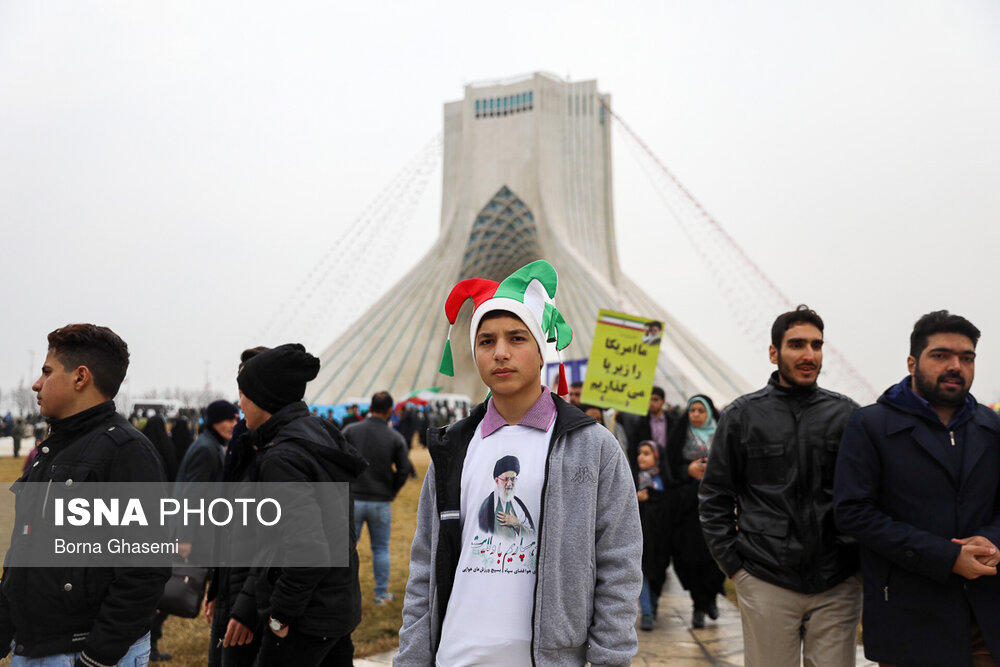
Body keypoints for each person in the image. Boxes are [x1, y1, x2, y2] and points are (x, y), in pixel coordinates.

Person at [396, 259, 641, 666]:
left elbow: (620, 561)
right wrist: (412, 656)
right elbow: (425, 564)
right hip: (456, 654)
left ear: (542, 350)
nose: (501, 353)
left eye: (517, 338)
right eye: (487, 341)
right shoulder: (453, 447)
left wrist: (610, 658)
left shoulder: (592, 446)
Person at [834, 310, 1000, 666]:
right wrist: (946, 557)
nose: (956, 366)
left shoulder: (991, 426)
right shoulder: (871, 425)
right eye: (941, 355)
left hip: (984, 614)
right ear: (912, 362)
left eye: (966, 357)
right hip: (910, 616)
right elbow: (853, 512)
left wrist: (992, 541)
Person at [699, 305, 861, 667]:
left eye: (817, 346)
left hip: (837, 580)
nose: (809, 355)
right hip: (765, 576)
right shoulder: (742, 417)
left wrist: (856, 567)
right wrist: (735, 567)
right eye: (797, 345)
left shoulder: (847, 416)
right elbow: (715, 497)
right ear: (774, 353)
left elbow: (867, 496)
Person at [0, 323, 170, 666]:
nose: (36, 384)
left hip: (79, 653)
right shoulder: (55, 450)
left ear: (80, 377)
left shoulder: (125, 451)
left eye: (47, 372)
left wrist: (97, 657)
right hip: (37, 646)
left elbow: (144, 569)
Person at [233, 343, 368, 666]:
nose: (240, 404)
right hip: (336, 605)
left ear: (264, 398)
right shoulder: (318, 433)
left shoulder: (284, 456)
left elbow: (308, 549)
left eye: (243, 394)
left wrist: (280, 616)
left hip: (305, 618)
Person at [206, 348, 267, 667]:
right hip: (233, 574)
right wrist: (215, 587)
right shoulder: (243, 435)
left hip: (258, 588)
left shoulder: (286, 442)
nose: (240, 399)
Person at [342, 390, 411, 605]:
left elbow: (337, 459)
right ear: (390, 410)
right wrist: (391, 490)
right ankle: (380, 595)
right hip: (380, 500)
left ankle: (342, 595)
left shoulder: (350, 431)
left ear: (371, 407)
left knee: (346, 550)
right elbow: (403, 470)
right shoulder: (395, 437)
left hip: (353, 497)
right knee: (380, 549)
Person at [666, 395, 725, 629]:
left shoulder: (721, 435)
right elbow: (669, 466)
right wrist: (687, 470)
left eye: (701, 410)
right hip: (687, 507)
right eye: (693, 410)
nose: (696, 414)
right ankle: (699, 603)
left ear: (710, 413)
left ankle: (709, 598)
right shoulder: (680, 435)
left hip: (717, 504)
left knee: (715, 556)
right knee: (688, 557)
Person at [634, 440, 671, 632]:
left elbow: (670, 505)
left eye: (647, 453)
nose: (641, 457)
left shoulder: (665, 480)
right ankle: (647, 612)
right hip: (640, 537)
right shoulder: (633, 479)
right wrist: (636, 498)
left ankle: (654, 604)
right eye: (640, 453)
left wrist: (653, 498)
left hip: (661, 539)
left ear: (656, 457)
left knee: (658, 574)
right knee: (642, 574)